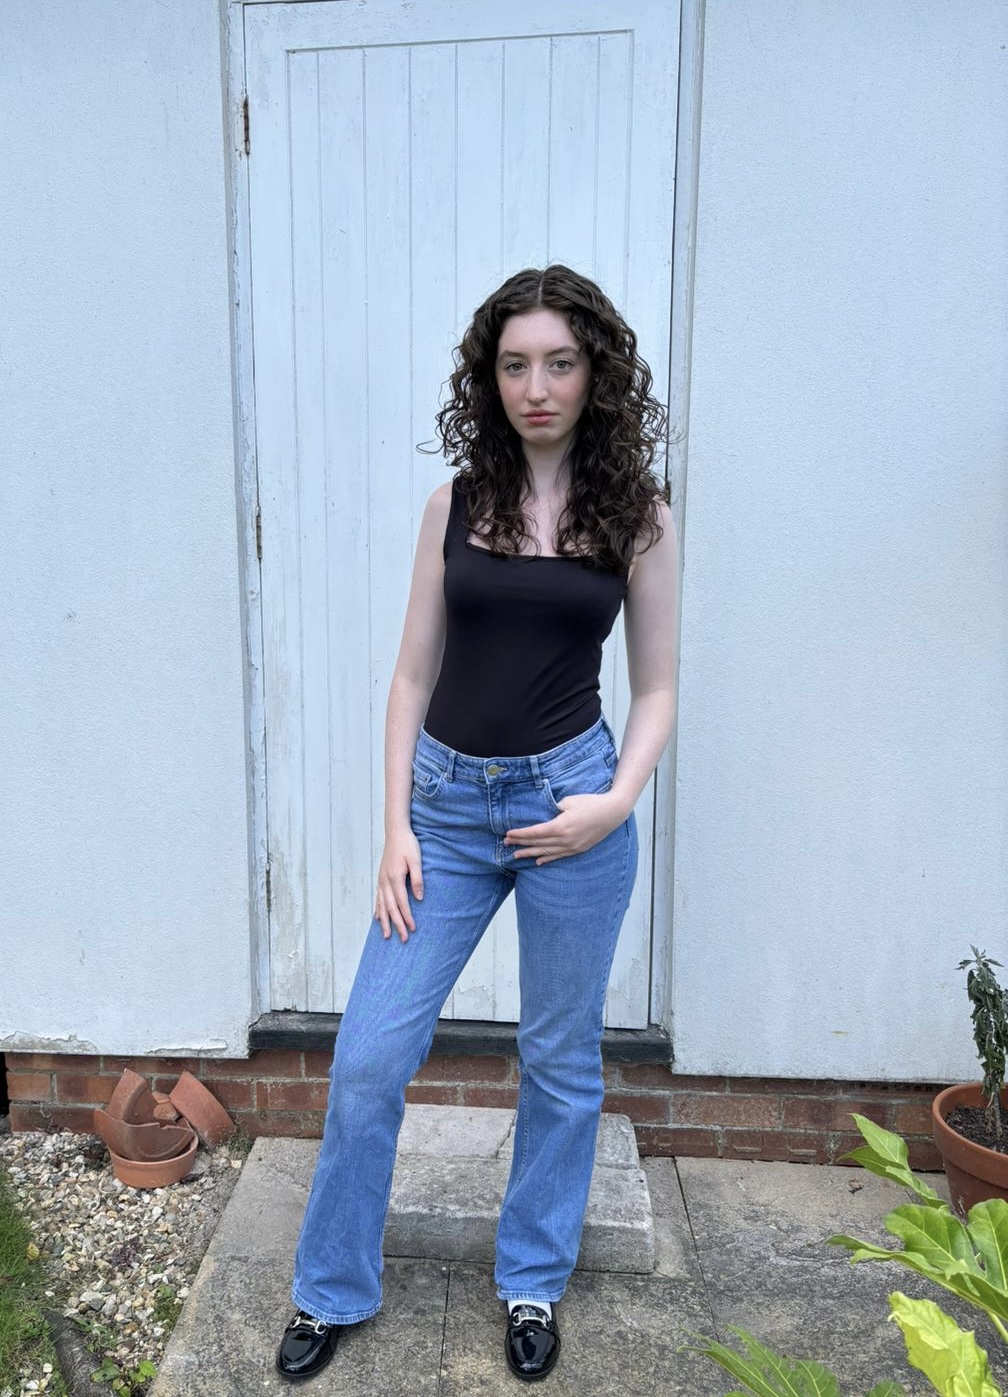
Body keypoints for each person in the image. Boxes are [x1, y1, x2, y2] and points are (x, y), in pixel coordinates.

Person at [275, 265, 679, 1384]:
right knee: (369, 1055)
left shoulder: (637, 515)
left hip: (572, 805)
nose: (536, 386)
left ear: (595, 373)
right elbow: (410, 676)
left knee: (559, 1060)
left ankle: (532, 1278)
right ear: (487, 377)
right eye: (514, 364)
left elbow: (656, 687)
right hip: (446, 813)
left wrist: (616, 799)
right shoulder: (453, 505)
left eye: (560, 362)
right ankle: (331, 1286)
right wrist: (395, 827)